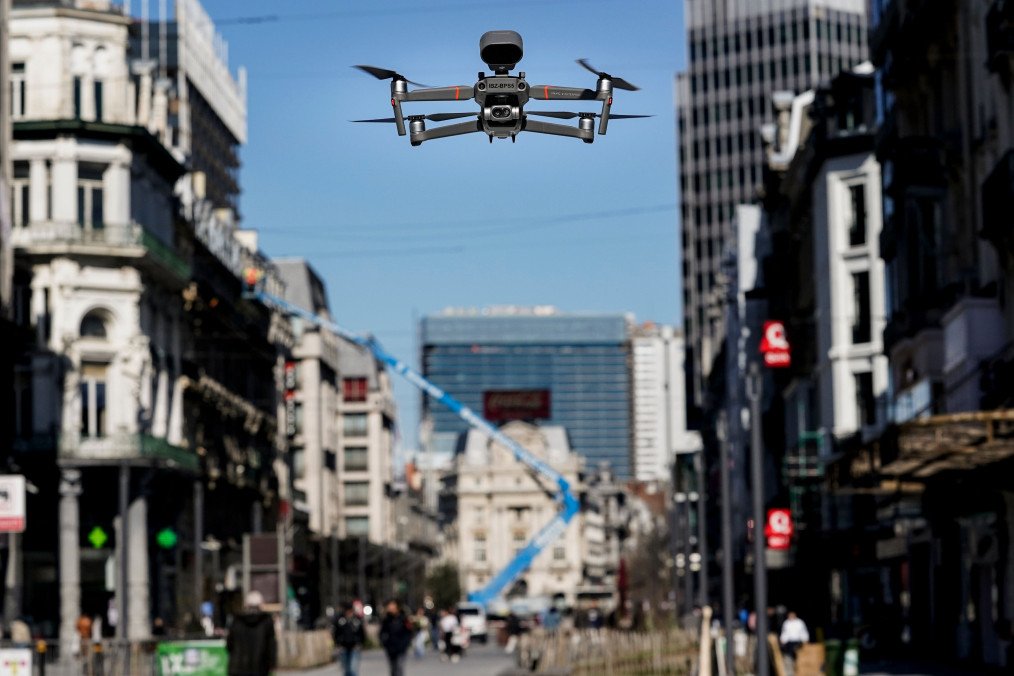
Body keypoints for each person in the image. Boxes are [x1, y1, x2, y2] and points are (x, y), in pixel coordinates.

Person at [226, 591, 277, 676]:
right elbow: (271, 646)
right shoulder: (266, 621)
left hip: (237, 667)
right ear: (260, 605)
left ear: (246, 605)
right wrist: (272, 664)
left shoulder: (236, 621)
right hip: (260, 668)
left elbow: (229, 644)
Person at [379, 599, 413, 676]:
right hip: (390, 648)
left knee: (399, 667)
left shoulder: (403, 618)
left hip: (401, 648)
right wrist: (384, 642)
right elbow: (382, 632)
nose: (390, 607)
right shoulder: (386, 619)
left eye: (392, 605)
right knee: (393, 669)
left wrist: (405, 644)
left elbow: (409, 632)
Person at [332, 603, 366, 676]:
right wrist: (337, 643)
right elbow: (336, 633)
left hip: (354, 647)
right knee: (346, 670)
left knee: (353, 669)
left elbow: (362, 632)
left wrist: (360, 643)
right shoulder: (340, 620)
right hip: (343, 647)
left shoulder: (356, 620)